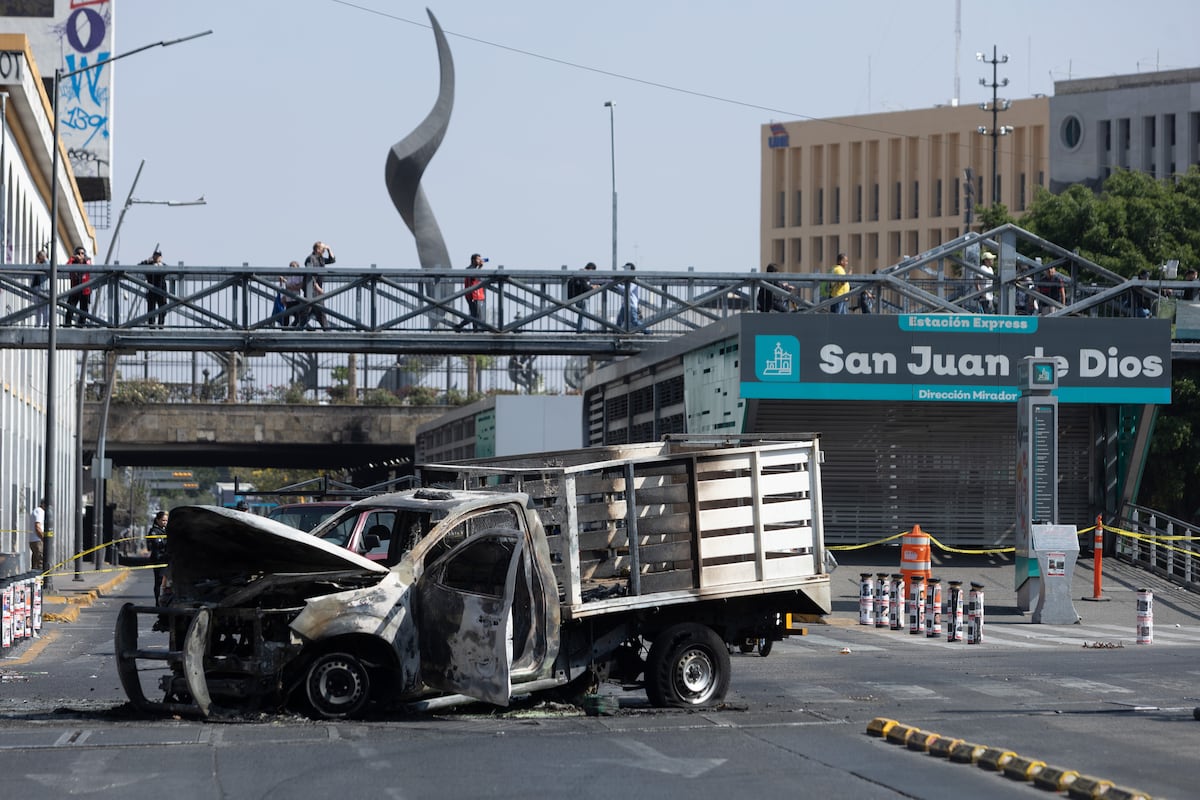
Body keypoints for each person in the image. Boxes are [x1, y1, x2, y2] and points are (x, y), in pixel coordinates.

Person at [303, 241, 334, 330]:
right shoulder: (310, 258)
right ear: (317, 249)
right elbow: (309, 274)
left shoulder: (321, 259)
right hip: (311, 289)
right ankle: (297, 328)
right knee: (308, 310)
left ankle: (326, 331)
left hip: (317, 290)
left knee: (319, 312)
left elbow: (332, 260)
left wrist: (329, 249)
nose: (324, 250)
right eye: (322, 249)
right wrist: (316, 286)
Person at [568, 262, 600, 331]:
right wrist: (593, 287)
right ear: (590, 269)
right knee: (583, 314)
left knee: (582, 315)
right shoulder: (582, 275)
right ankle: (581, 330)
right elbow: (586, 288)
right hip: (580, 298)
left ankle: (580, 329)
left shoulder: (579, 274)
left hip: (575, 298)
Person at [459, 253, 487, 331]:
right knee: (476, 315)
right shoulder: (470, 269)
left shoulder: (474, 268)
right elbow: (474, 277)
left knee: (475, 314)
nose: (480, 261)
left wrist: (479, 268)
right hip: (473, 295)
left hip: (475, 294)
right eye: (478, 259)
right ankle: (475, 330)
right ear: (473, 260)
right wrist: (480, 268)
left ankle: (474, 329)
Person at [140, 248, 168, 326]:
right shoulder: (149, 265)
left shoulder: (163, 266)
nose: (156, 257)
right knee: (151, 310)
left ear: (161, 257)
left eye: (158, 256)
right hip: (151, 290)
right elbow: (139, 266)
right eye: (155, 255)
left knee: (163, 310)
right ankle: (151, 326)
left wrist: (159, 265)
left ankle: (161, 325)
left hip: (162, 291)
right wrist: (146, 261)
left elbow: (168, 270)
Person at [65, 246, 92, 327]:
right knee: (70, 308)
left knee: (83, 310)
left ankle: (81, 325)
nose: (80, 255)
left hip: (85, 290)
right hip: (75, 289)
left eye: (82, 253)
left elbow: (89, 265)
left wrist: (82, 260)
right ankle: (67, 326)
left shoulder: (87, 261)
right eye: (78, 253)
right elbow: (67, 266)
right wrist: (73, 258)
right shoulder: (73, 262)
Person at [147, 510, 169, 605]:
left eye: (166, 520)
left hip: (167, 558)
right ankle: (157, 601)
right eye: (163, 520)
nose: (165, 522)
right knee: (159, 581)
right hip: (159, 559)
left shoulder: (166, 530)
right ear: (158, 520)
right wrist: (166, 541)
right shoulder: (154, 531)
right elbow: (157, 544)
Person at [616, 261, 641, 330]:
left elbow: (627, 290)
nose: (624, 271)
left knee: (634, 321)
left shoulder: (634, 280)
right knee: (619, 322)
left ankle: (648, 332)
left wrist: (617, 284)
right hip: (625, 304)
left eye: (625, 269)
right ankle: (617, 332)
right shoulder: (627, 280)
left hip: (631, 305)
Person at [281, 261, 306, 327]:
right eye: (290, 266)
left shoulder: (300, 276)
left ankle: (293, 327)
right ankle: (285, 330)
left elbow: (300, 286)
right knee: (286, 316)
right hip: (288, 299)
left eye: (293, 266)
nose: (292, 268)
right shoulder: (287, 276)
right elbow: (284, 286)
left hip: (296, 299)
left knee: (298, 317)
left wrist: (290, 286)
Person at [31, 249, 49, 326]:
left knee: (45, 308)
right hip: (36, 287)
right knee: (37, 308)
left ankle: (45, 324)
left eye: (43, 255)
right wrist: (37, 262)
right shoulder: (36, 264)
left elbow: (49, 267)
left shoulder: (47, 263)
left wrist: (45, 259)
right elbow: (30, 270)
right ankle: (37, 324)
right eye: (40, 255)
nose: (42, 257)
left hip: (44, 288)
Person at [28, 497, 45, 572]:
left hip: (35, 540)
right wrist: (43, 538)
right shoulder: (39, 511)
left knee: (35, 562)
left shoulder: (37, 511)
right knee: (40, 561)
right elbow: (37, 527)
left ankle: (34, 577)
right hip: (38, 540)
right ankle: (40, 577)